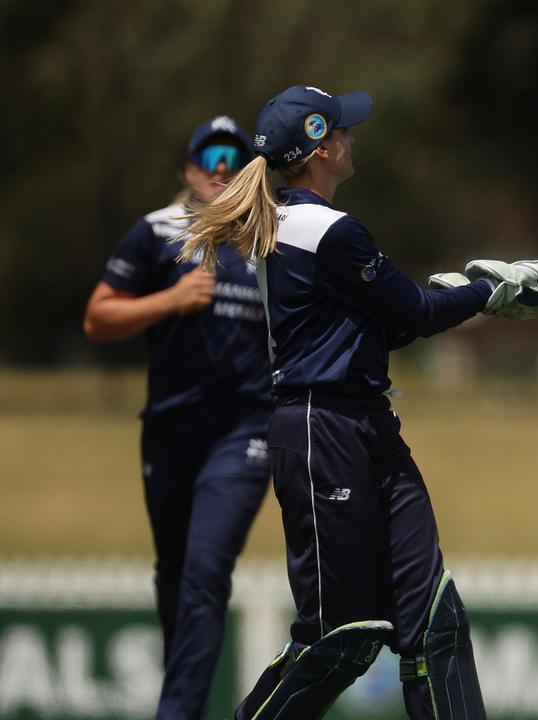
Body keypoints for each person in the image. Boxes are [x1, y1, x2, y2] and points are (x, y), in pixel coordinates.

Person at [178, 85, 538, 720]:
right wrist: (485, 291)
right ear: (321, 147)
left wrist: (469, 296)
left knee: (434, 621)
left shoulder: (296, 225)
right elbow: (414, 312)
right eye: (343, 129)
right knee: (338, 641)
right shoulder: (326, 230)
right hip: (321, 434)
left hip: (365, 428)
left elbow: (380, 328)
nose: (352, 137)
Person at [82, 115, 272, 719]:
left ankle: (178, 713)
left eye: (233, 157)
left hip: (246, 432)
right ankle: (184, 696)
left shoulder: (273, 239)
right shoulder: (157, 233)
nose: (221, 166)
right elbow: (98, 317)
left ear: (251, 172)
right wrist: (171, 299)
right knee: (175, 574)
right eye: (208, 156)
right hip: (169, 430)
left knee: (206, 567)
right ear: (189, 170)